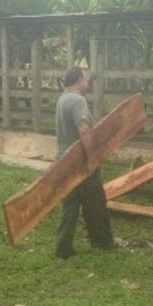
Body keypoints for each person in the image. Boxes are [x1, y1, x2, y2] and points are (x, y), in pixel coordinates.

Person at [54, 66, 114, 259]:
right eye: (86, 80)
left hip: (64, 159)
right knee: (95, 200)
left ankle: (63, 248)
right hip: (80, 161)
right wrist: (92, 159)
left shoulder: (62, 99)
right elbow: (83, 130)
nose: (87, 83)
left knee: (69, 205)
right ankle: (103, 242)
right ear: (79, 80)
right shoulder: (78, 100)